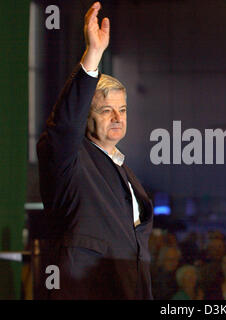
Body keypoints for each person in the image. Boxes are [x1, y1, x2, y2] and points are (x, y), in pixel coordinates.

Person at [37, 2, 153, 299]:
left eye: (123, 109)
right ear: (85, 117)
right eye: (106, 110)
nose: (118, 118)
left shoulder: (123, 171)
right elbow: (64, 125)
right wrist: (93, 56)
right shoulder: (68, 158)